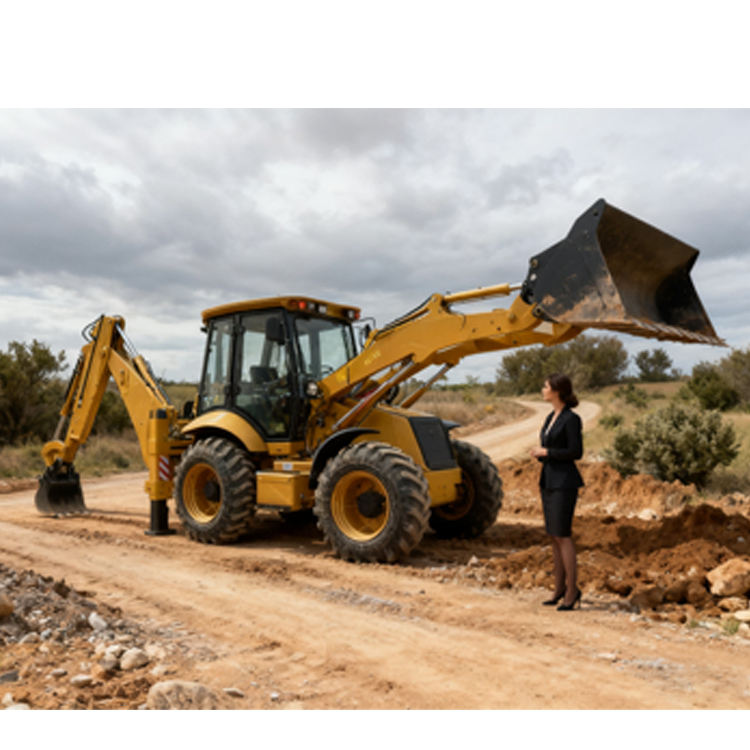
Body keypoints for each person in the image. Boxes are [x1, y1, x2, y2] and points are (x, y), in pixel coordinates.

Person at [529, 373, 583, 611]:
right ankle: (559, 589)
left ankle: (572, 591)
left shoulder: (572, 419)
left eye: (546, 386)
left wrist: (547, 453)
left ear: (557, 391)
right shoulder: (551, 416)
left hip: (565, 482)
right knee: (553, 535)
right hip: (548, 480)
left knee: (563, 535)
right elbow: (550, 447)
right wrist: (541, 453)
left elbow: (576, 451)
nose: (543, 389)